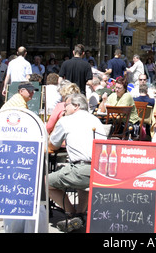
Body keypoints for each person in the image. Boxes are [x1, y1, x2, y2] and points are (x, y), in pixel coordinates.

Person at [48, 93, 107, 232]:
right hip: (100, 169)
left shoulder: (66, 121)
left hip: (80, 170)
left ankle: (72, 212)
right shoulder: (96, 120)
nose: (64, 109)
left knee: (44, 183)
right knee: (82, 183)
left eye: (66, 105)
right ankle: (80, 215)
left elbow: (52, 146)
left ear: (76, 106)